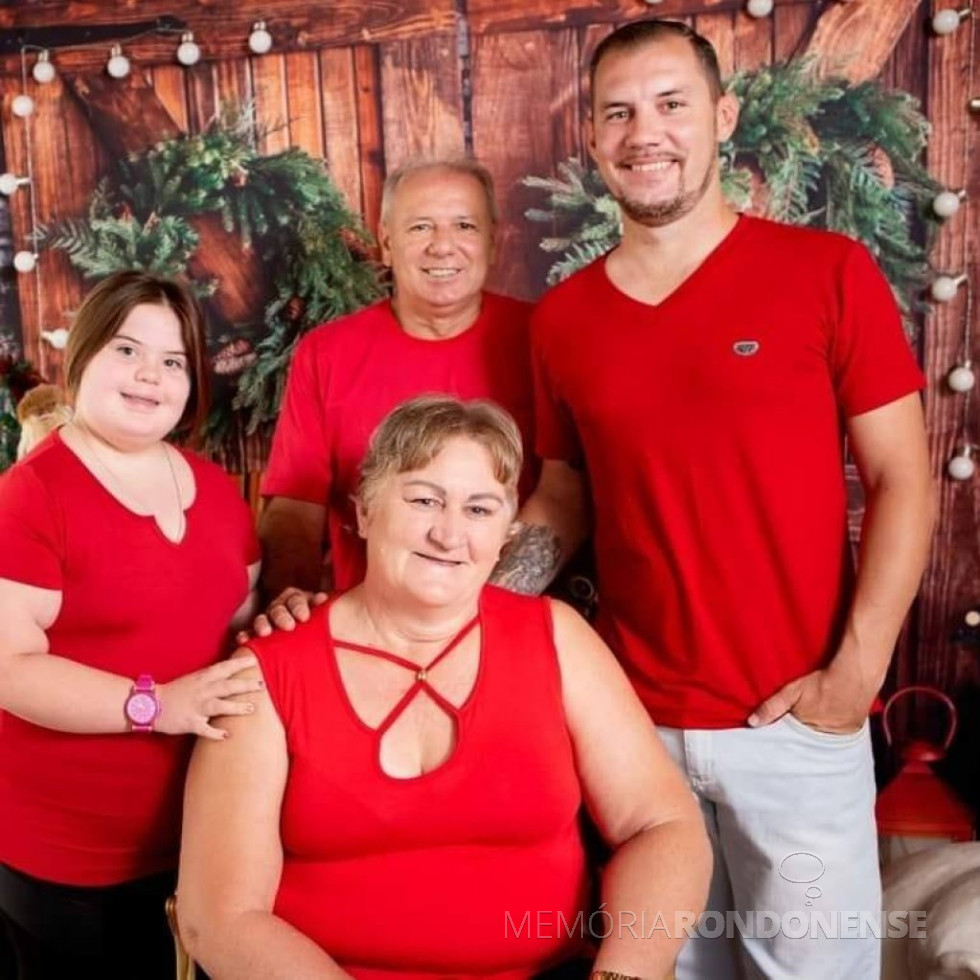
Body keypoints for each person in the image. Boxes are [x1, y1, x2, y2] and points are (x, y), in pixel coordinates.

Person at [497, 18, 936, 980]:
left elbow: (906, 477)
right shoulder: (564, 321)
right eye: (618, 113)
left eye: (670, 105)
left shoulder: (826, 274)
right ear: (593, 137)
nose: (642, 132)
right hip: (633, 731)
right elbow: (565, 493)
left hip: (795, 719)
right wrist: (477, 613)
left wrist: (853, 677)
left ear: (722, 118)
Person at [177, 395, 711, 980]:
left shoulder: (557, 639)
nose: (450, 532)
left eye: (479, 509)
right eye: (424, 499)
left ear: (507, 531)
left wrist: (620, 978)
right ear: (364, 510)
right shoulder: (268, 670)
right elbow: (219, 917)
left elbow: (661, 825)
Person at [0, 271, 264, 979]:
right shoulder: (32, 497)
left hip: (204, 841)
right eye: (127, 350)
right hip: (70, 859)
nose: (151, 375)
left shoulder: (216, 492)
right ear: (81, 357)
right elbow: (10, 669)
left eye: (173, 360)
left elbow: (239, 628)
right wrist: (159, 704)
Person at [256, 157, 535, 632]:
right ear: (386, 241)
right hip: (368, 626)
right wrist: (291, 604)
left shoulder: (541, 339)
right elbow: (295, 506)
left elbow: (568, 494)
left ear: (493, 239)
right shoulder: (327, 353)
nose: (442, 246)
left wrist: (483, 615)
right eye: (420, 226)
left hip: (513, 618)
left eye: (463, 225)